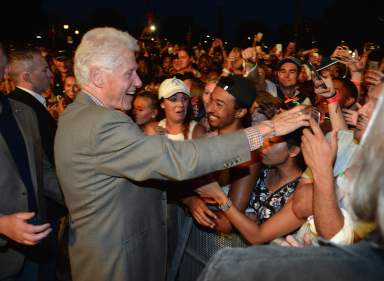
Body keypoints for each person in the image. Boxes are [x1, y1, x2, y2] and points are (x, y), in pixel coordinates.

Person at [54, 27, 310, 281]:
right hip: (117, 261)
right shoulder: (101, 123)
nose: (138, 82)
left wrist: (189, 200)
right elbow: (180, 161)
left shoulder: (76, 115)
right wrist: (268, 129)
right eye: (129, 74)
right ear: (98, 76)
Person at [197, 92, 384, 281]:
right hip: (293, 258)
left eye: (375, 105)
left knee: (223, 266)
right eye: (367, 100)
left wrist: (323, 173)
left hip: (323, 269)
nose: (362, 109)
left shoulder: (375, 172)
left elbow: (335, 236)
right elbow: (301, 204)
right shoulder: (342, 142)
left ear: (294, 151)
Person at [0, 42, 63, 281]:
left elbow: (42, 168)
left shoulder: (23, 113)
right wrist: (2, 225)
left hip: (37, 239)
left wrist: (76, 198)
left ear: (5, 69)